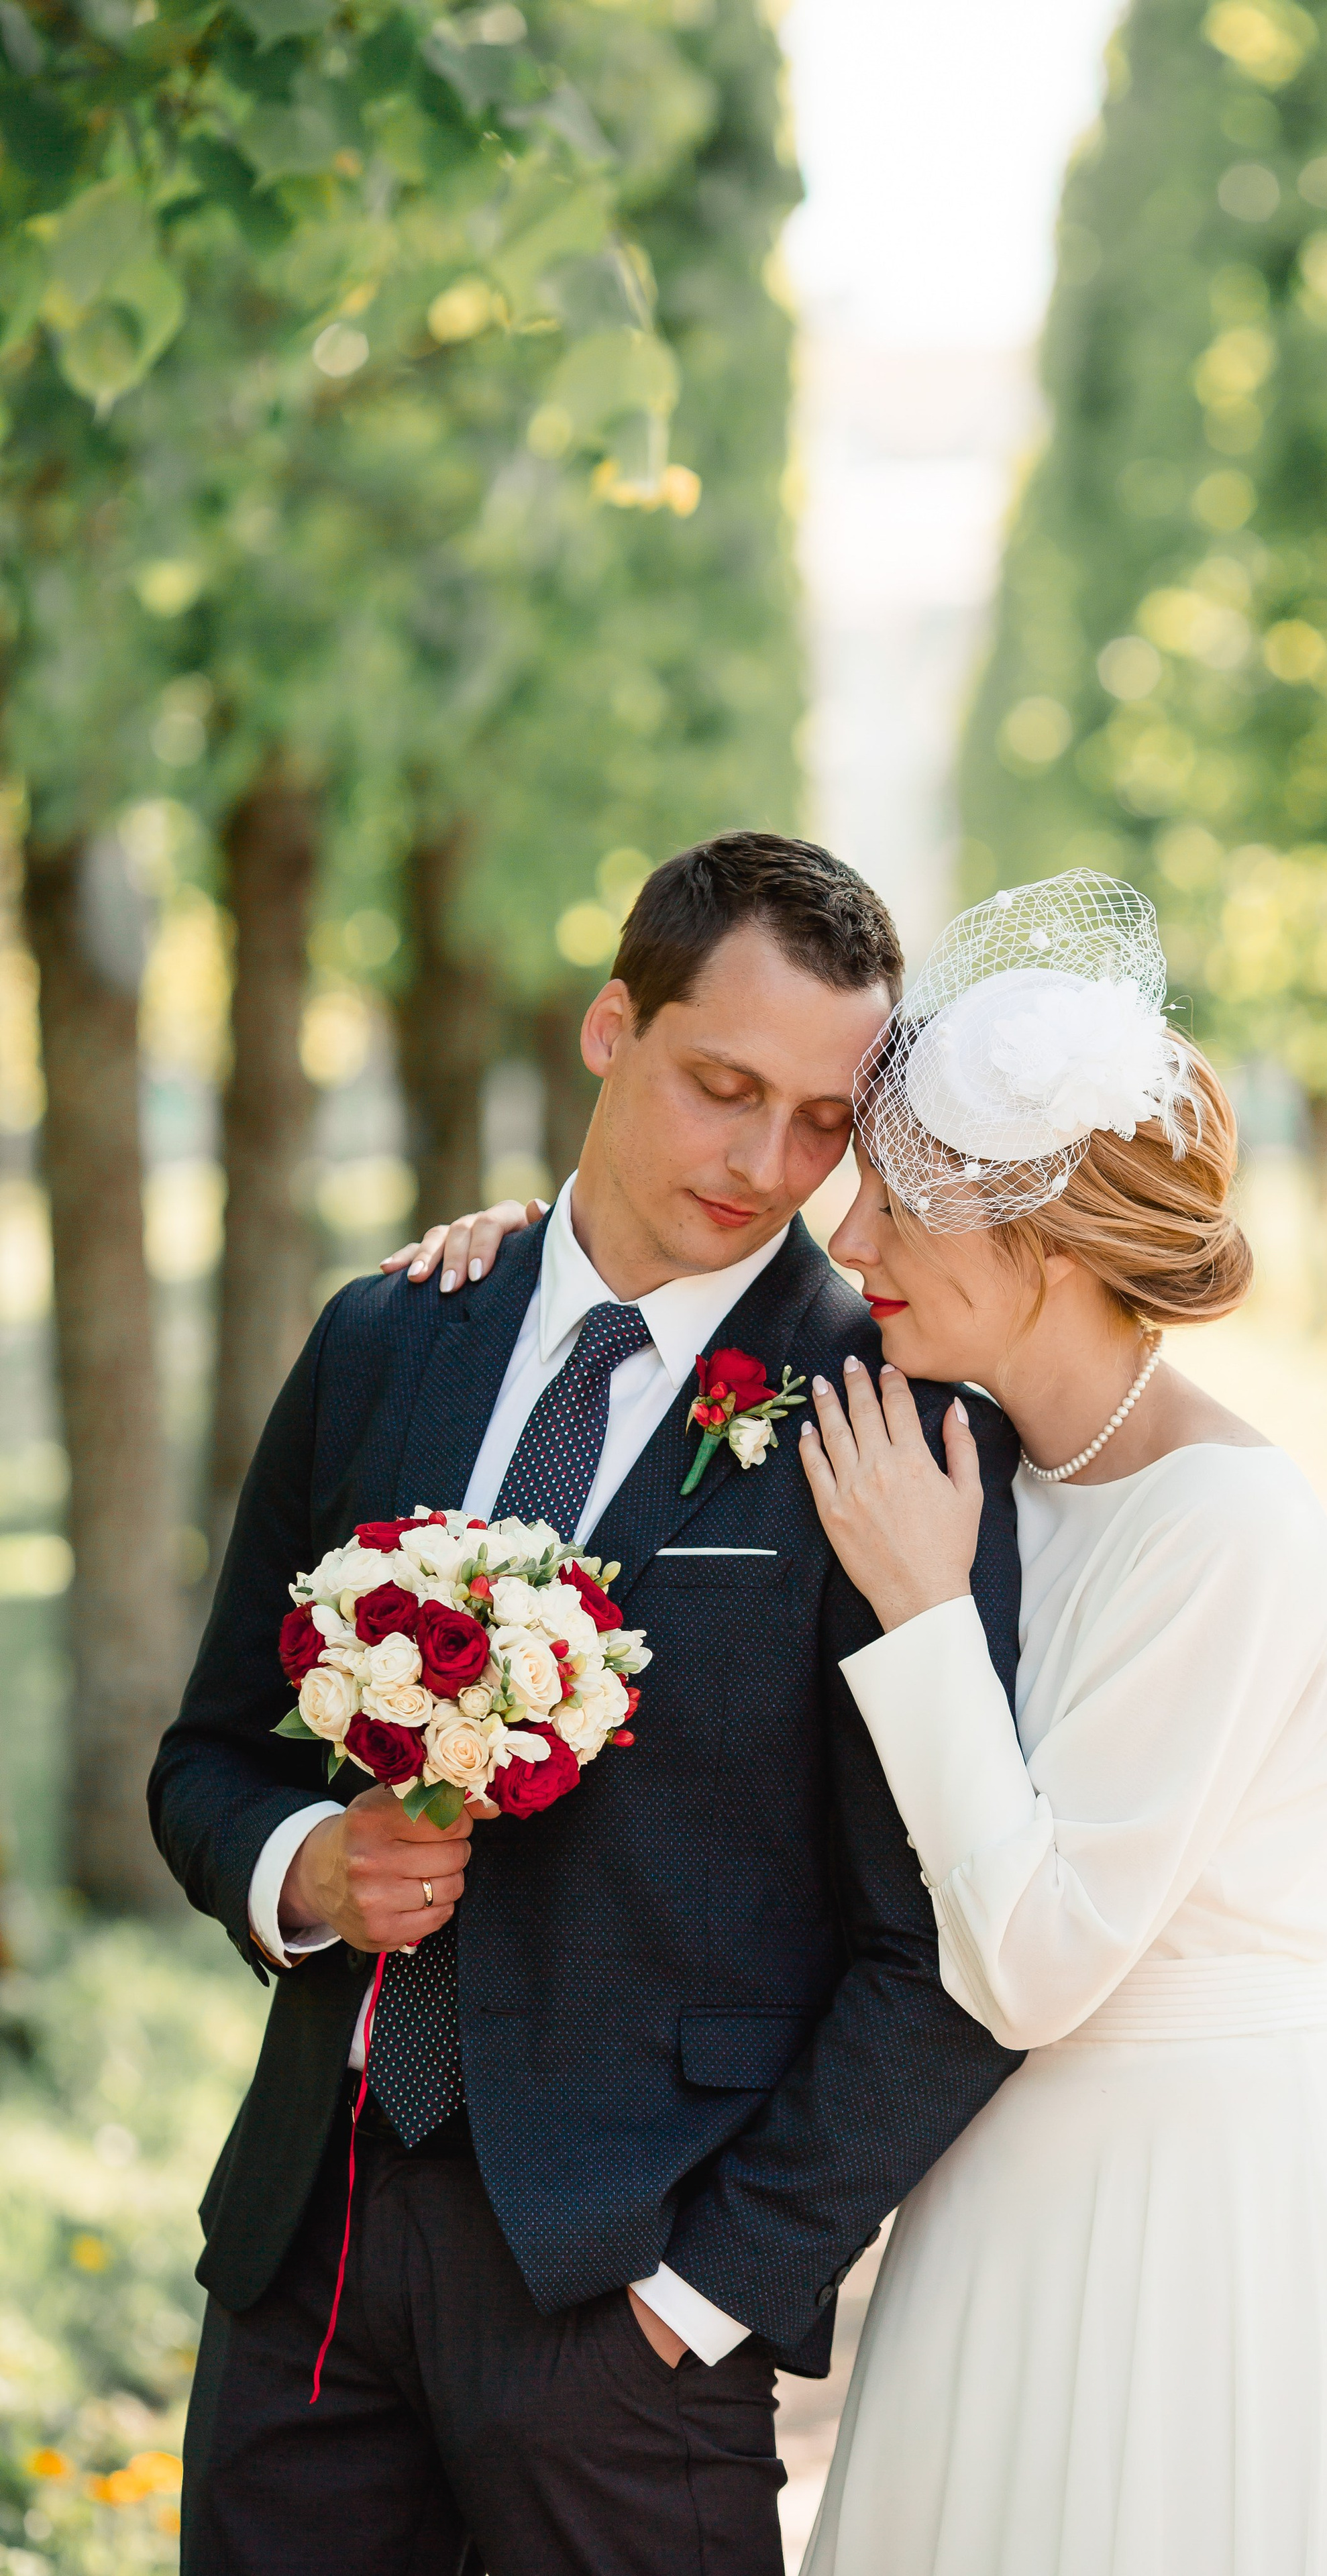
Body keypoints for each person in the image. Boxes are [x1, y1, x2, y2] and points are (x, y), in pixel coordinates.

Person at [403, 868, 1327, 2574]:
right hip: (989, 2205)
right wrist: (511, 1264)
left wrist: (926, 1617)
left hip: (1194, 2223)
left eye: (896, 1210)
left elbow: (1036, 1960)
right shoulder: (984, 1465)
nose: (844, 1245)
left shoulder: (1220, 1524)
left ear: (1045, 1244)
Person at [149, 832, 1024, 2576]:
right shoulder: (389, 1339)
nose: (765, 1163)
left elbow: (944, 1935)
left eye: (820, 1123)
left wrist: (718, 2289)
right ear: (611, 1025)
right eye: (722, 1086)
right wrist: (310, 1870)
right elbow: (209, 1758)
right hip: (302, 2260)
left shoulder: (889, 1419)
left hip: (625, 2298)